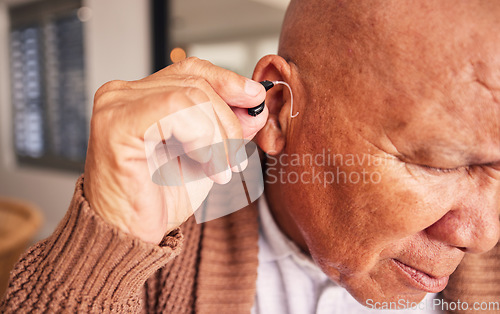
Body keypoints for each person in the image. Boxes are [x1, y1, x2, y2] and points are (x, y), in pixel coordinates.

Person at [2, 0, 500, 313]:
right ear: (281, 110)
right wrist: (103, 255)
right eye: (440, 163)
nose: (483, 236)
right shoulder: (156, 261)